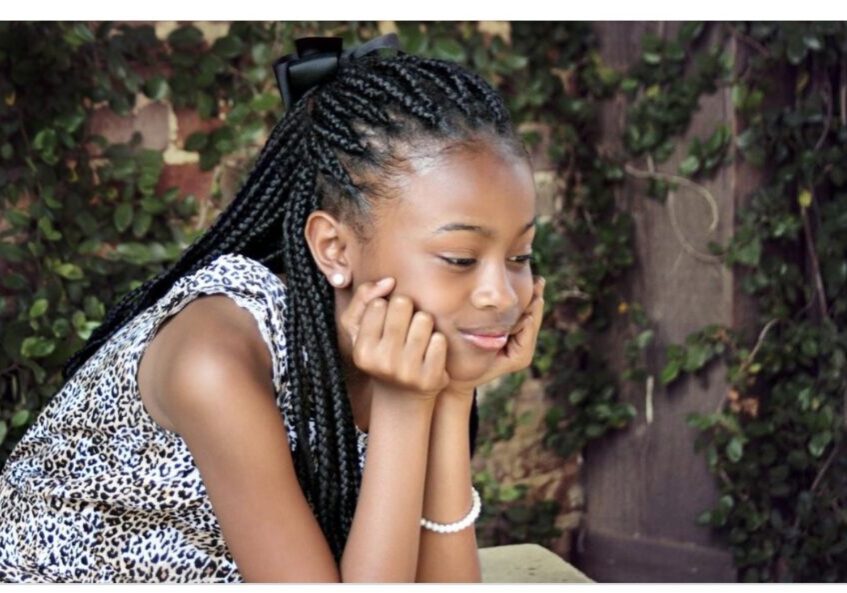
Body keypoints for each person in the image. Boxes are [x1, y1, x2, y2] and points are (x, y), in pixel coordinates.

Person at [0, 32, 545, 583]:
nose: (500, 295)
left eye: (520, 255)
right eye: (459, 258)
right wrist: (406, 410)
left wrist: (452, 396)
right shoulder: (216, 358)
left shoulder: (401, 350)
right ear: (334, 248)